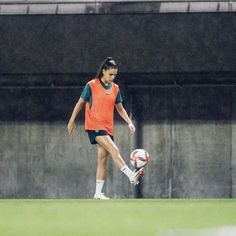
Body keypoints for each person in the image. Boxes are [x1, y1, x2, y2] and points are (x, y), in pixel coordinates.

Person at [67, 57, 144, 200]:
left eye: (115, 75)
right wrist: (71, 121)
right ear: (103, 71)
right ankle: (131, 175)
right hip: (94, 126)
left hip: (108, 128)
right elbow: (80, 103)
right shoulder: (91, 85)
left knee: (102, 160)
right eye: (110, 74)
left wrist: (129, 122)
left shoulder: (115, 89)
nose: (113, 77)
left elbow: (120, 109)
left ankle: (97, 193)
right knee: (115, 150)